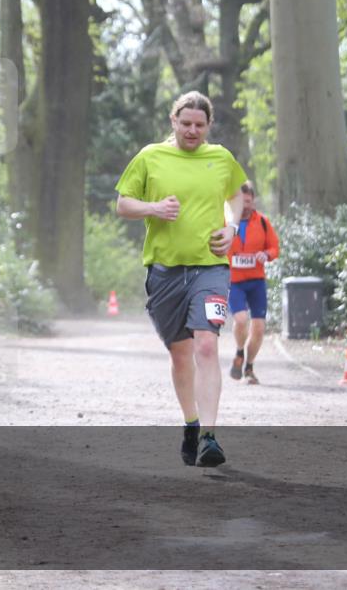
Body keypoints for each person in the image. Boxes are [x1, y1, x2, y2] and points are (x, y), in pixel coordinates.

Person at [115, 91, 247, 468]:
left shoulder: (221, 158)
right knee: (180, 353)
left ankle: (209, 436)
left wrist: (233, 226)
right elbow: (123, 203)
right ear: (173, 121)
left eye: (200, 125)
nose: (192, 131)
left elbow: (235, 196)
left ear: (209, 126)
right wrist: (153, 208)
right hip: (165, 271)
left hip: (211, 266)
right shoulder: (150, 157)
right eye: (186, 123)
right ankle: (191, 422)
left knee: (206, 344)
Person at [227, 181, 280, 385]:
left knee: (258, 328)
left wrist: (265, 254)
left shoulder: (263, 222)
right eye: (241, 201)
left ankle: (249, 366)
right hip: (235, 282)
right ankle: (239, 352)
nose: (245, 205)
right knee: (241, 320)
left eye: (248, 201)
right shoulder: (226, 222)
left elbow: (275, 249)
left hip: (257, 282)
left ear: (253, 200)